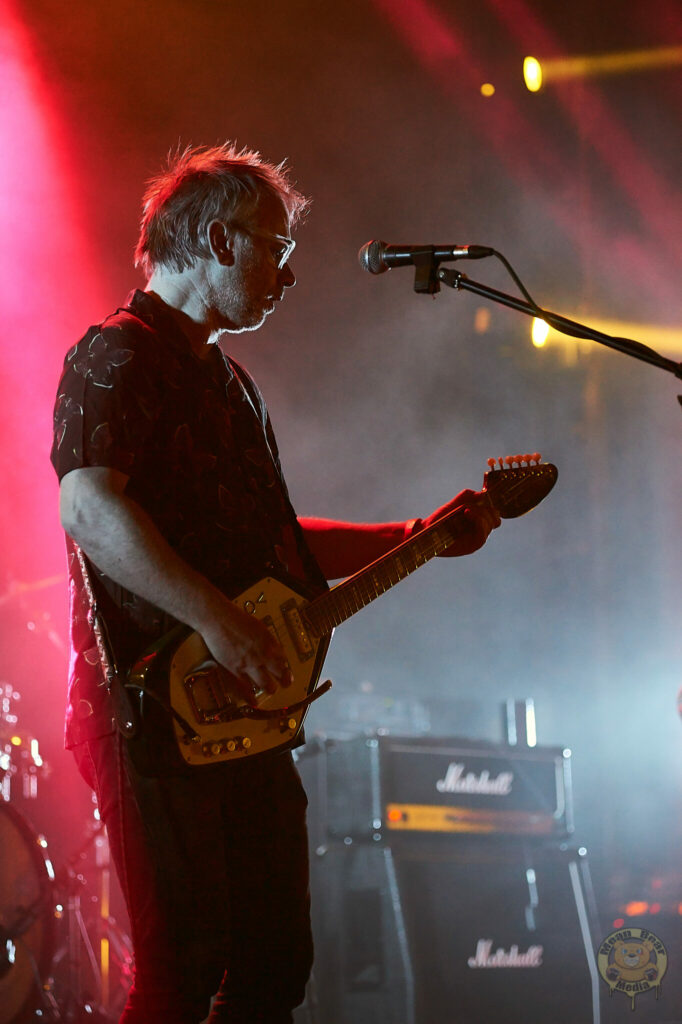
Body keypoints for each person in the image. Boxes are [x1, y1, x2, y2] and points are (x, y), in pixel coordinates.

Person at [50, 142, 500, 1024]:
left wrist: (416, 537)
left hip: (242, 715)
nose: (287, 277)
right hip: (145, 710)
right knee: (181, 973)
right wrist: (217, 621)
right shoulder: (115, 356)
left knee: (273, 966)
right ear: (219, 239)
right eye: (277, 250)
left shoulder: (230, 383)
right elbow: (91, 511)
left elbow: (277, 546)